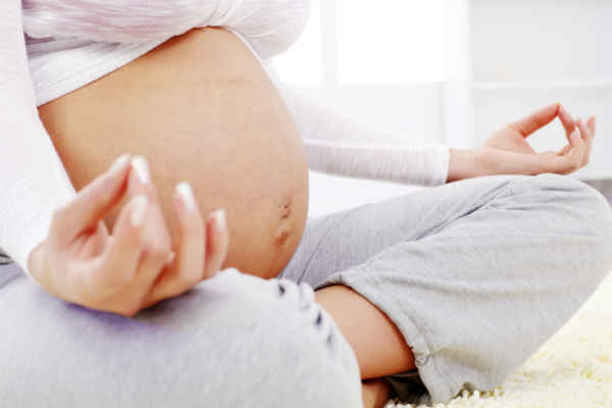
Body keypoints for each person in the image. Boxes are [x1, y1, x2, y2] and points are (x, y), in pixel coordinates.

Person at [2, 1, 612, 407]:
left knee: (567, 213)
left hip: (266, 274)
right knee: (278, 353)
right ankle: (318, 362)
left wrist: (456, 163)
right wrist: (47, 250)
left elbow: (236, 83)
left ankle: (295, 357)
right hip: (56, 285)